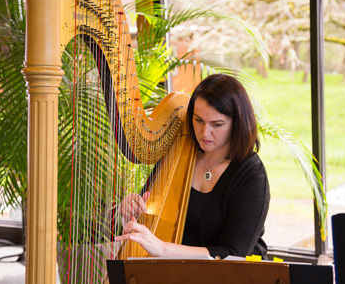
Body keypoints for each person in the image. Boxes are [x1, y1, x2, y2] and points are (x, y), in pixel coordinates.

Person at [115, 74, 270, 259]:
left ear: (237, 124)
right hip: (176, 272)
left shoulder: (251, 174)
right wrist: (127, 214)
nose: (205, 132)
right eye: (198, 120)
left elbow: (234, 254)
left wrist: (163, 249)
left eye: (217, 124)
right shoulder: (180, 152)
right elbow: (148, 218)